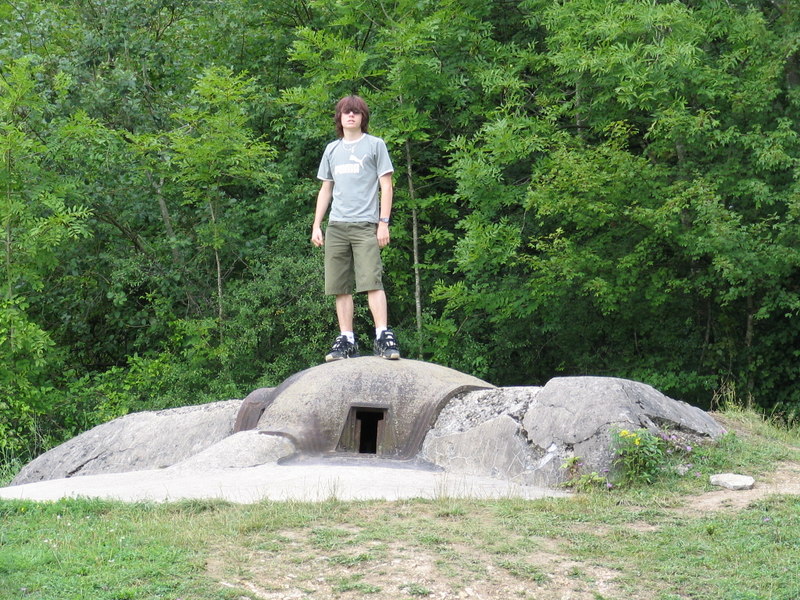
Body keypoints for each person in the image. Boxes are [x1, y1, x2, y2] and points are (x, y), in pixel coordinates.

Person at [312, 94, 401, 362]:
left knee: (372, 281)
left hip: (365, 225)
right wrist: (317, 225)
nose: (351, 116)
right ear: (339, 118)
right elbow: (326, 188)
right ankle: (346, 339)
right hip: (337, 225)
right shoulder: (332, 150)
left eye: (356, 112)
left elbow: (386, 185)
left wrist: (383, 223)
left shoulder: (375, 145)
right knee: (340, 286)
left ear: (363, 117)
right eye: (346, 112)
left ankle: (383, 336)